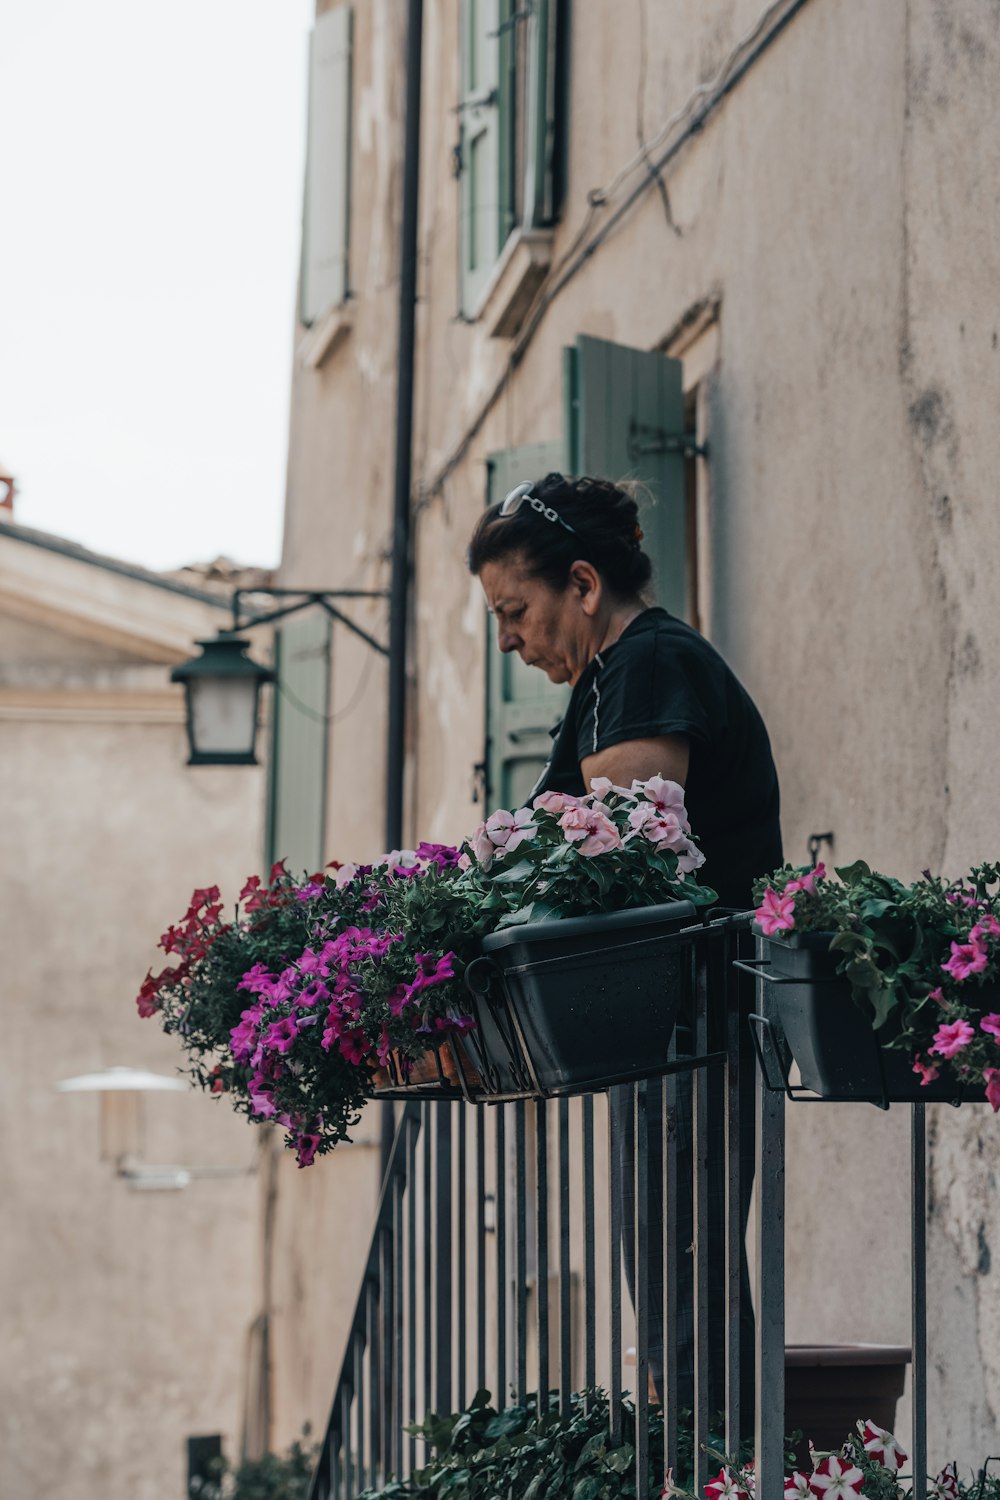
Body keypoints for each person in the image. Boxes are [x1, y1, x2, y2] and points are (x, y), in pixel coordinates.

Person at [467, 470, 782, 1422]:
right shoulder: (616, 673)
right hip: (670, 1022)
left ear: (585, 584)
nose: (508, 639)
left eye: (515, 609)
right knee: (674, 1268)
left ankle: (711, 1466)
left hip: (693, 1016)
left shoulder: (647, 665)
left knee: (683, 1271)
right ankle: (703, 1459)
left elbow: (624, 858)